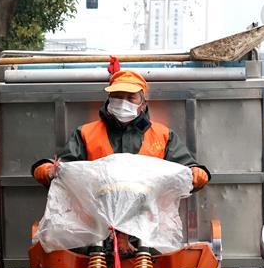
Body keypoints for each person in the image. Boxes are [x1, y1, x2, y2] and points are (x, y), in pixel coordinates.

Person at [31, 69, 210, 190]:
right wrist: (46, 171)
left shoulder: (163, 136)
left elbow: (187, 169)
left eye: (130, 97)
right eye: (117, 97)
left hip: (148, 230)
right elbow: (63, 170)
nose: (123, 102)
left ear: (143, 102)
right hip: (96, 228)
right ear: (109, 99)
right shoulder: (85, 133)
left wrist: (196, 174)